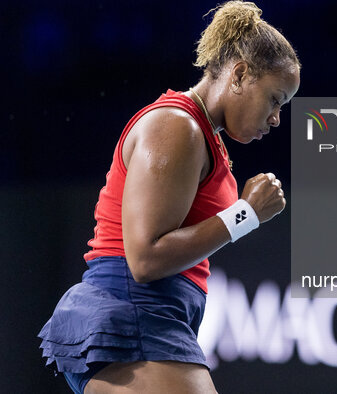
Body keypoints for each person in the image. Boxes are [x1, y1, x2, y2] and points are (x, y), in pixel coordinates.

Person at [38, 1, 300, 393]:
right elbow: (145, 258)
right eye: (275, 99)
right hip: (133, 316)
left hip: (156, 318)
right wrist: (245, 214)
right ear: (240, 74)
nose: (276, 118)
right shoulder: (177, 126)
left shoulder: (203, 136)